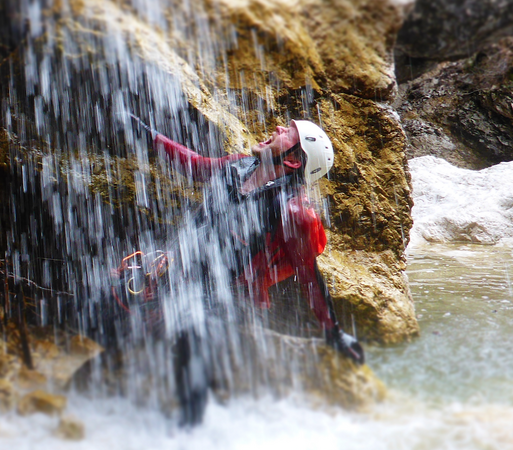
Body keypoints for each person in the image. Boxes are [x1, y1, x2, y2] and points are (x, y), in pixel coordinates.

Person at [108, 116, 364, 426]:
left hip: (223, 300)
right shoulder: (239, 166)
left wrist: (333, 332)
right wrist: (147, 134)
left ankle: (189, 432)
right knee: (100, 297)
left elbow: (310, 277)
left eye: (288, 132)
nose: (279, 128)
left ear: (295, 160)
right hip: (174, 274)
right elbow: (194, 164)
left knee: (194, 332)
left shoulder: (294, 213)